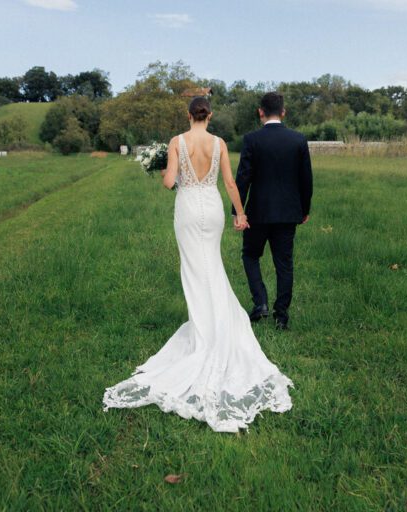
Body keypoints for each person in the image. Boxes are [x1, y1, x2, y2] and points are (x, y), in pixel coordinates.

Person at [102, 97, 293, 433]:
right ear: (211, 115)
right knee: (212, 267)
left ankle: (204, 331)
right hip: (213, 209)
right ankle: (217, 324)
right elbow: (231, 184)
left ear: (188, 115)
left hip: (189, 209)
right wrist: (241, 213)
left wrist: (163, 170)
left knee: (194, 271)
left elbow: (169, 182)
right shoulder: (219, 143)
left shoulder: (178, 142)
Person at [233, 92, 313, 330]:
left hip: (258, 212)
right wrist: (304, 209)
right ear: (283, 112)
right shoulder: (298, 140)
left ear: (260, 112)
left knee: (250, 256)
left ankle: (260, 303)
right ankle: (282, 316)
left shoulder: (252, 139)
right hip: (289, 213)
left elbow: (243, 178)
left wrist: (238, 211)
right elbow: (306, 180)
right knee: (284, 264)